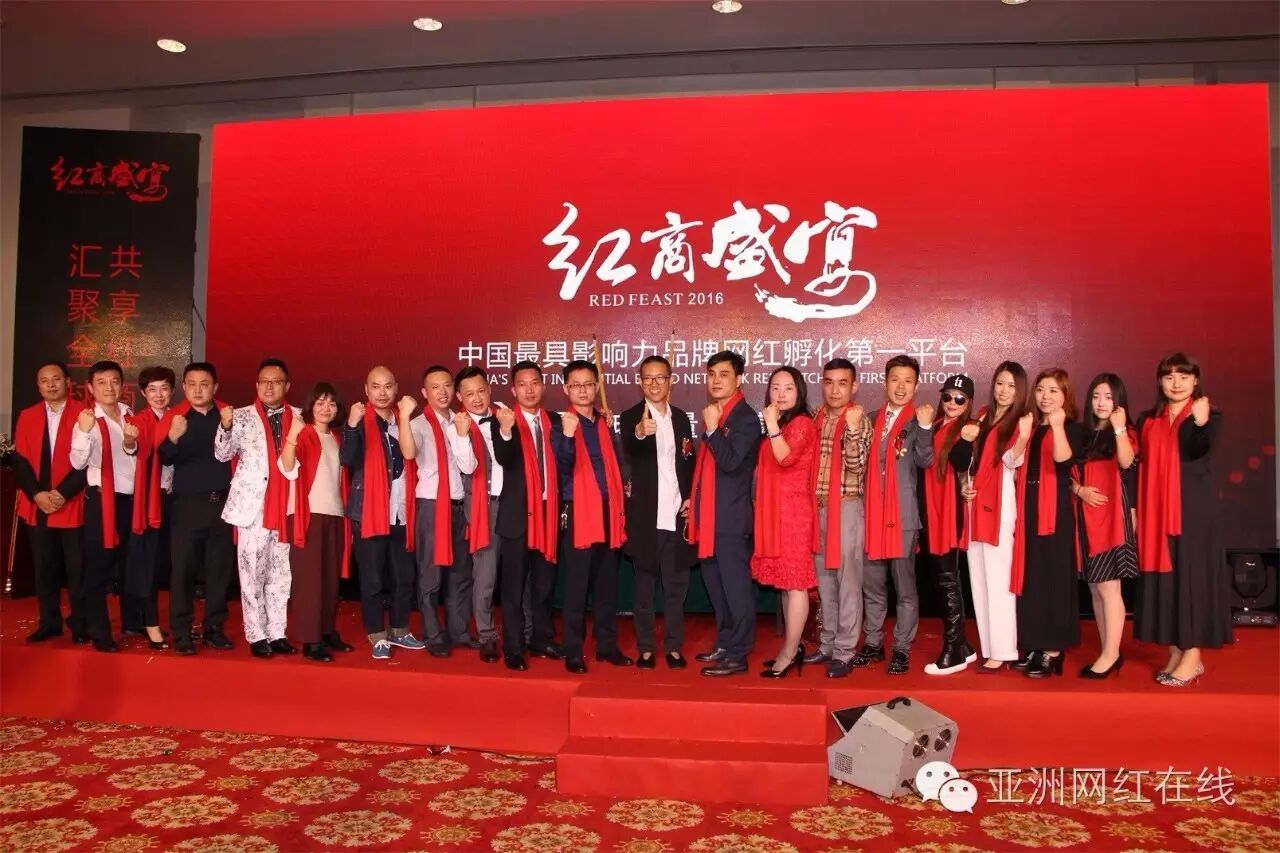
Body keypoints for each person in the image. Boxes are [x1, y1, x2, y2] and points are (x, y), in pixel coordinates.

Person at [1134, 353, 1230, 687]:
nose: (1176, 383)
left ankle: (1193, 654)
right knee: (1168, 579)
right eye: (1169, 376)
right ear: (1160, 381)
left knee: (1192, 577)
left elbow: (1196, 451)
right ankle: (1176, 649)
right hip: (1156, 509)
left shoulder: (1208, 414)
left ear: (1195, 380)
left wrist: (1200, 423)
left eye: (1184, 377)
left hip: (1193, 510)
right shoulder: (1148, 419)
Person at [216, 358, 301, 658]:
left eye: (276, 382)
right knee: (252, 571)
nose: (269, 387)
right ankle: (256, 633)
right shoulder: (239, 416)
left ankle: (277, 632)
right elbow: (222, 453)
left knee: (281, 572)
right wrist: (225, 426)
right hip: (253, 506)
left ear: (287, 386)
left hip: (287, 505)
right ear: (256, 385)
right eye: (264, 381)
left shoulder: (300, 417)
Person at [854, 355, 934, 675]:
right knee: (872, 586)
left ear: (916, 385)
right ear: (885, 382)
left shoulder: (919, 421)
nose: (901, 387)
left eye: (907, 381)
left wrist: (925, 428)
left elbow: (925, 461)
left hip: (902, 517)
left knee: (905, 588)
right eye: (895, 380)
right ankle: (873, 643)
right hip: (871, 515)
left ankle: (901, 648)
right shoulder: (870, 418)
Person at [341, 366, 426, 660]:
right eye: (375, 387)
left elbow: (412, 456)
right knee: (373, 580)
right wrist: (352, 425)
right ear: (366, 390)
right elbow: (348, 458)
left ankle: (400, 629)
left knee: (404, 577)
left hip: (402, 511)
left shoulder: (405, 420)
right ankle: (377, 634)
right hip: (369, 512)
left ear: (396, 388)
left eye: (387, 386)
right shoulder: (360, 420)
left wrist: (404, 419)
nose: (382, 392)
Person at [552, 360, 632, 674]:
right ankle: (573, 650)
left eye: (588, 384)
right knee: (576, 586)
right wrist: (568, 436)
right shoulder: (562, 424)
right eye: (576, 385)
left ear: (596, 386)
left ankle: (606, 646)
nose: (583, 390)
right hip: (578, 512)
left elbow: (618, 463)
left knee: (606, 584)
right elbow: (561, 467)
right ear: (566, 389)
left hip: (608, 510)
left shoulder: (604, 423)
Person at [69, 360, 151, 653]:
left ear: (122, 385)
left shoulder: (130, 415)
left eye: (114, 381)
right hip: (103, 502)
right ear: (90, 388)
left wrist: (130, 443)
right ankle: (98, 631)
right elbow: (77, 463)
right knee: (98, 568)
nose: (109, 388)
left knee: (132, 563)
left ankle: (132, 621)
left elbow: (135, 455)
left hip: (131, 501)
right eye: (101, 382)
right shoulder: (87, 420)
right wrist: (82, 432)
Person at [953, 362, 1030, 674]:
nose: (1004, 390)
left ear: (1020, 390)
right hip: (975, 508)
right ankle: (990, 648)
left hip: (1000, 512)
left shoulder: (1020, 420)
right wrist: (965, 484)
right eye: (1000, 383)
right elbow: (970, 462)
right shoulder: (984, 415)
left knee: (999, 585)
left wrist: (1023, 437)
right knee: (979, 583)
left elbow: (1012, 461)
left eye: (1011, 385)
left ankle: (1004, 650)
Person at [689, 350, 762, 678]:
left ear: (739, 379)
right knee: (716, 588)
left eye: (724, 374)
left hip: (730, 519)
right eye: (711, 374)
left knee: (735, 588)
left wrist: (713, 429)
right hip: (708, 517)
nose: (716, 381)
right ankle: (725, 642)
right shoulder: (715, 414)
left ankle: (738, 653)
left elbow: (731, 463)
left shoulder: (745, 419)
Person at [620, 356, 695, 670]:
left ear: (670, 380)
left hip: (677, 516)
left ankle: (674, 646)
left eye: (660, 377)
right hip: (646, 519)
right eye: (648, 378)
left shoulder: (681, 418)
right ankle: (647, 647)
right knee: (644, 588)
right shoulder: (630, 417)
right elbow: (631, 446)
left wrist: (691, 497)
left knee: (677, 588)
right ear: (640, 382)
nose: (654, 384)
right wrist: (640, 432)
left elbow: (688, 460)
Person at [1012, 368, 1087, 679]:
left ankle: (1054, 650)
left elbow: (1063, 461)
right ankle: (1034, 643)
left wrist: (1056, 426)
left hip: (1055, 510)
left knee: (1054, 576)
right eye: (1041, 390)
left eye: (1054, 390)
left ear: (1066, 395)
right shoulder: (1028, 426)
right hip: (1027, 507)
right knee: (1033, 577)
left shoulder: (1072, 428)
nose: (1046, 396)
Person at [157, 362, 236, 655]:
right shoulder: (176, 417)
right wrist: (173, 436)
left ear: (215, 387)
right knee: (183, 572)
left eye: (204, 384)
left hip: (223, 505)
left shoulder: (228, 415)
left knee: (219, 571)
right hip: (187, 505)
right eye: (191, 384)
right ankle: (182, 632)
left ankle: (214, 628)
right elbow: (163, 458)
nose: (198, 390)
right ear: (184, 387)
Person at [402, 365, 478, 658]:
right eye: (435, 387)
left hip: (459, 507)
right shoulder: (419, 424)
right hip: (432, 507)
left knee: (461, 574)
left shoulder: (462, 421)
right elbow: (409, 453)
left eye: (447, 385)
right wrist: (404, 418)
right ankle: (433, 634)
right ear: (425, 392)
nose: (442, 392)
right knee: (431, 574)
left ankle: (459, 631)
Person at [492, 361, 563, 671]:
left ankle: (542, 638)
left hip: (548, 513)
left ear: (543, 386)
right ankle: (514, 646)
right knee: (514, 588)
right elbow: (505, 459)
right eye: (522, 384)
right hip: (517, 518)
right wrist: (506, 431)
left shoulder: (555, 421)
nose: (529, 389)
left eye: (535, 383)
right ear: (513, 389)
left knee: (544, 585)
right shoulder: (502, 421)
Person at [11, 361, 88, 643]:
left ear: (68, 382)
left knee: (78, 570)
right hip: (38, 504)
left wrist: (61, 494)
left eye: (56, 379)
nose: (51, 385)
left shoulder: (84, 413)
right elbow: (20, 460)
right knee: (44, 569)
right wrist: (37, 494)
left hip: (72, 502)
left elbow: (90, 460)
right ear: (38, 386)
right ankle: (49, 622)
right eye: (45, 381)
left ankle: (81, 624)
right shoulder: (27, 415)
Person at [752, 366, 818, 677]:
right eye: (775, 387)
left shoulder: (802, 423)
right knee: (784, 585)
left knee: (795, 585)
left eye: (788, 388)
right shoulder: (781, 423)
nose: (780, 394)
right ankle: (792, 647)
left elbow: (786, 458)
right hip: (773, 512)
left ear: (799, 392)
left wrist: (770, 425)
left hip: (794, 516)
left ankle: (790, 653)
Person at [279, 382, 352, 662]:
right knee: (309, 580)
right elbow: (286, 467)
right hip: (307, 514)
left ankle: (326, 630)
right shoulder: (303, 433)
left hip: (335, 514)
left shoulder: (337, 437)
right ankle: (311, 639)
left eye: (331, 403)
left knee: (330, 579)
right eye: (320, 403)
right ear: (311, 406)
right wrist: (292, 435)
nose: (326, 408)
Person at [810, 358, 873, 679]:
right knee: (825, 581)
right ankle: (827, 644)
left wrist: (851, 429)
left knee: (848, 582)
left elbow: (857, 465)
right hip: (817, 508)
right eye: (829, 382)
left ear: (854, 386)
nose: (835, 390)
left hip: (846, 508)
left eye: (842, 383)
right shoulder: (817, 417)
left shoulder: (859, 419)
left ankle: (845, 651)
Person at [1073, 373, 1138, 679]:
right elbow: (1068, 474)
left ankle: (1111, 654)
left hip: (1111, 520)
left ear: (1119, 401)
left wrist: (1119, 427)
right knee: (1095, 587)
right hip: (1085, 518)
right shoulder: (1083, 433)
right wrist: (1079, 491)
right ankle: (1108, 648)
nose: (1101, 402)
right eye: (1097, 396)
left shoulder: (1124, 431)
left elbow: (1127, 462)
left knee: (1109, 587)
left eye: (1109, 397)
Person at [921, 374, 978, 676]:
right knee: (945, 577)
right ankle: (964, 645)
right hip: (932, 508)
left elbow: (961, 463)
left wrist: (967, 439)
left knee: (947, 579)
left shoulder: (968, 429)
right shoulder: (936, 425)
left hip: (949, 509)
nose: (952, 403)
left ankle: (954, 648)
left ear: (969, 403)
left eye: (959, 399)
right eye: (947, 396)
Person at [125, 365, 177, 649]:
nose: (159, 395)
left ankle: (143, 620)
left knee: (162, 563)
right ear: (143, 393)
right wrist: (130, 440)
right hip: (147, 500)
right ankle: (150, 622)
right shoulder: (138, 421)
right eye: (152, 390)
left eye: (164, 388)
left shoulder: (178, 418)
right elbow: (133, 449)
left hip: (173, 499)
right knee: (146, 562)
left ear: (172, 391)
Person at [454, 366, 503, 663]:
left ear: (490, 389)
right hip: (483, 507)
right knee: (485, 575)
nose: (477, 398)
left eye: (481, 391)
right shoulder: (457, 426)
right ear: (459, 397)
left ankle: (525, 633)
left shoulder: (505, 417)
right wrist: (462, 436)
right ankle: (486, 635)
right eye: (469, 394)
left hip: (513, 504)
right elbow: (468, 466)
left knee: (521, 573)